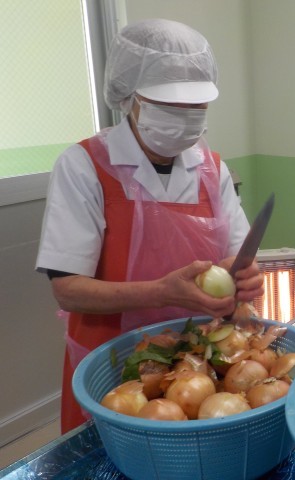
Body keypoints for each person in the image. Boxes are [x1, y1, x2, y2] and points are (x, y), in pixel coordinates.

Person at [35, 18, 264, 434]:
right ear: (129, 97)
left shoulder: (211, 169)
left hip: (196, 365)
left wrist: (244, 275)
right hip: (111, 365)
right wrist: (161, 292)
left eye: (197, 106)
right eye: (171, 105)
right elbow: (67, 289)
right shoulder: (86, 166)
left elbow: (234, 255)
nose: (187, 117)